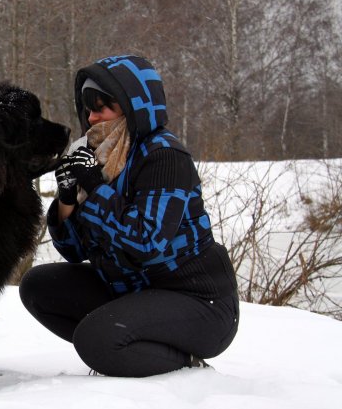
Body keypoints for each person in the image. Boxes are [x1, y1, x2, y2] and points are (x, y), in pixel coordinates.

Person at [19, 54, 239, 377]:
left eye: (102, 107)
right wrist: (68, 198)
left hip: (196, 299)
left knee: (97, 340)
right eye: (88, 108)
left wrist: (94, 187)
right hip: (131, 289)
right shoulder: (102, 155)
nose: (92, 118)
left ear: (131, 107)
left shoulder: (165, 157)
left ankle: (180, 362)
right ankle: (127, 342)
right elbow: (73, 251)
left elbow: (145, 241)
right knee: (37, 287)